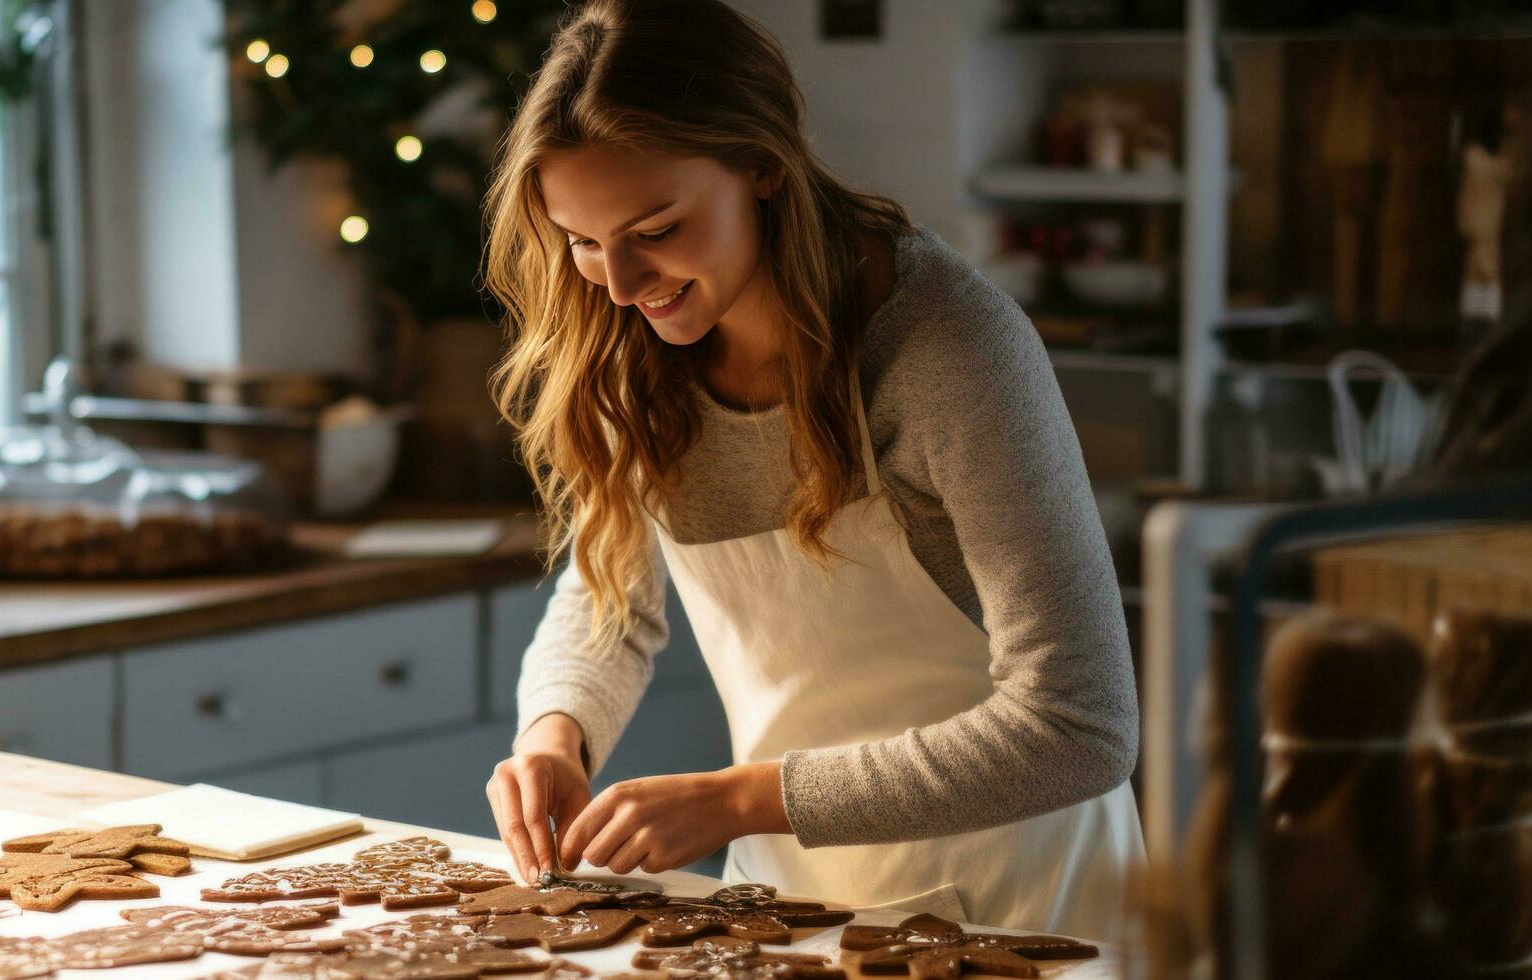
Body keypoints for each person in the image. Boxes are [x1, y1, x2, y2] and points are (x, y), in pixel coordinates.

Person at [479, 0, 1144, 943]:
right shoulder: (630, 347)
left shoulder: (945, 346)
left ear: (761, 164)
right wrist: (554, 732)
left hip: (1022, 906)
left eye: (657, 228)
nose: (620, 285)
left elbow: (1082, 727)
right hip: (784, 904)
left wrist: (737, 799)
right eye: (582, 241)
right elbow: (608, 597)